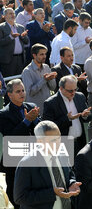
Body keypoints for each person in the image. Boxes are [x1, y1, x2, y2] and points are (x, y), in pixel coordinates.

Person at [14, 121, 82, 209]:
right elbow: (20, 197)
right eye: (53, 140)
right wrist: (52, 193)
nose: (58, 143)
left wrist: (72, 183)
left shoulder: (63, 154)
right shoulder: (26, 163)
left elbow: (69, 175)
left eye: (59, 137)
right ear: (40, 141)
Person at [0, 79, 40, 208]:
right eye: (18, 91)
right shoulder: (3, 114)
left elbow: (40, 131)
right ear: (9, 94)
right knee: (14, 191)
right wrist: (27, 120)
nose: (22, 93)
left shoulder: (31, 106)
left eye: (23, 90)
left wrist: (36, 121)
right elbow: (11, 136)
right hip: (14, 158)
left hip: (33, 156)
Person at [43, 75, 91, 154]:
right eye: (70, 91)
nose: (73, 93)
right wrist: (67, 119)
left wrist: (85, 116)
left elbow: (89, 117)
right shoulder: (51, 103)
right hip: (63, 145)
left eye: (75, 89)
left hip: (80, 142)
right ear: (61, 88)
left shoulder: (79, 97)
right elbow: (48, 128)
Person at [22, 43, 57, 115]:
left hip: (48, 108)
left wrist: (51, 79)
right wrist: (44, 80)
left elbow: (53, 87)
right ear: (34, 55)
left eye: (45, 54)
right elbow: (30, 92)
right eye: (41, 54)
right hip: (35, 110)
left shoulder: (46, 67)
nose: (44, 56)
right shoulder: (27, 71)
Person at [0, 8, 29, 77]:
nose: (13, 15)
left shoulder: (20, 27)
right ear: (4, 16)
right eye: (10, 13)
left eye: (13, 13)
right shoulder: (1, 27)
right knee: (9, 80)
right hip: (8, 60)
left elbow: (26, 41)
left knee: (19, 79)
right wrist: (11, 37)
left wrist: (23, 37)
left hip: (20, 59)